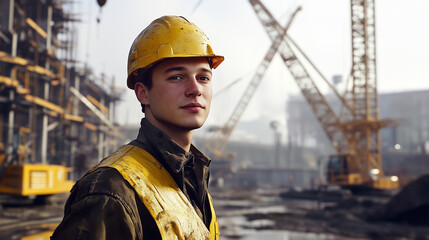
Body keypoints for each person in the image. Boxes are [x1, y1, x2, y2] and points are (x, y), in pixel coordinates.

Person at [51, 15, 224, 240]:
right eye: (177, 77)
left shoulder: (193, 178)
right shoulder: (110, 190)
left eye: (203, 77)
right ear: (143, 93)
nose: (195, 89)